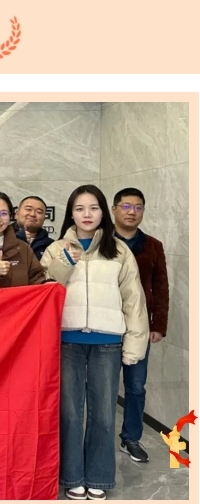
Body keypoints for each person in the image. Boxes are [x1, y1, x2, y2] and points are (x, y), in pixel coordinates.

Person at [40, 184, 149, 501]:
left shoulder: (119, 250)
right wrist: (65, 263)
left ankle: (99, 477)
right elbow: (44, 290)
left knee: (103, 414)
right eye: (79, 208)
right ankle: (72, 475)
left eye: (93, 208)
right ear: (71, 214)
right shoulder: (56, 248)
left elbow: (134, 300)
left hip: (107, 342)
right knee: (70, 413)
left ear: (103, 212)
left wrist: (134, 345)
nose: (86, 214)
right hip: (66, 341)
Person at [112, 187, 169, 464]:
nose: (131, 212)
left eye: (137, 207)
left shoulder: (153, 246)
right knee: (103, 387)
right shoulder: (101, 241)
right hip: (107, 326)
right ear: (114, 210)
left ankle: (131, 438)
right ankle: (98, 439)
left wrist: (158, 325)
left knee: (135, 386)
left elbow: (161, 287)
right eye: (125, 206)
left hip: (139, 327)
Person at [12, 195, 54, 261]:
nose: (32, 214)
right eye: (28, 209)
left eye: (39, 212)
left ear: (44, 219)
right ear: (17, 214)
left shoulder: (51, 246)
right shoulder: (2, 238)